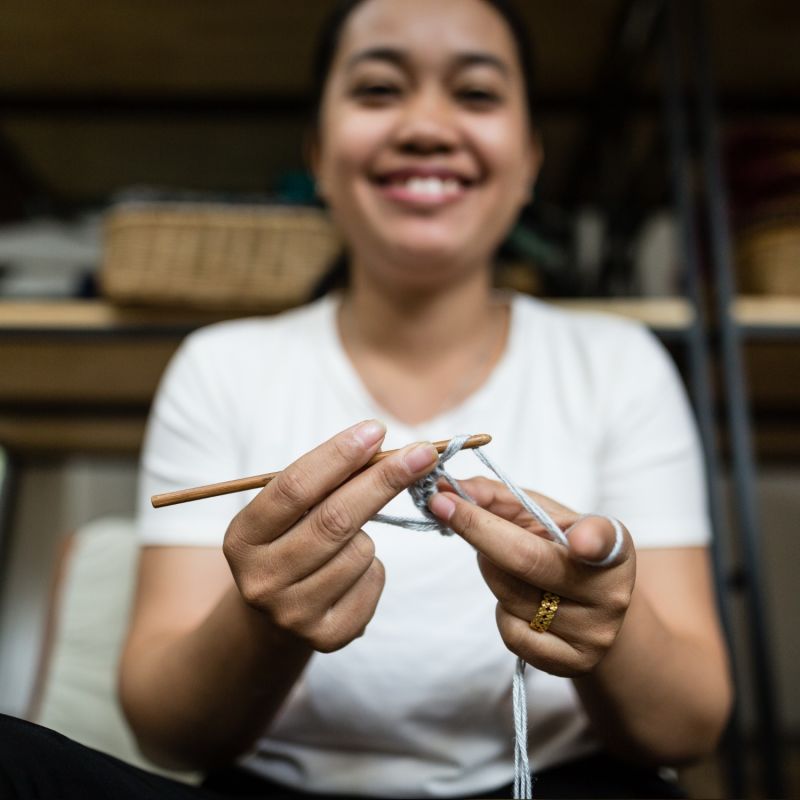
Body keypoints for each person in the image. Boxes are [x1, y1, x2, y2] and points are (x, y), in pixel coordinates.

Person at [0, 1, 732, 798]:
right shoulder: (222, 367)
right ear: (318, 153)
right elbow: (171, 734)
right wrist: (267, 622)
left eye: (476, 95)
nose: (425, 124)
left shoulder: (617, 365)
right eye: (379, 90)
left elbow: (686, 728)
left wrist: (595, 624)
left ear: (528, 161)